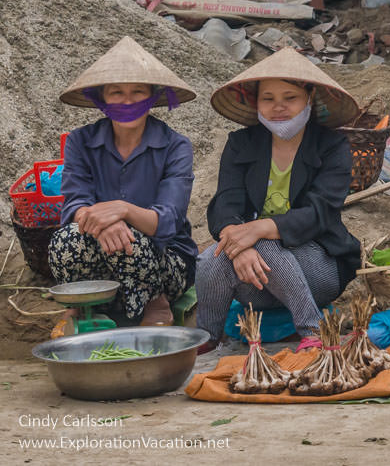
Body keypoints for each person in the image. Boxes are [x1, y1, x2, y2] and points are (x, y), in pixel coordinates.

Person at [196, 48, 362, 353]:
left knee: (263, 242)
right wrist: (238, 244)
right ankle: (206, 338)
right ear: (256, 101)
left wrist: (257, 232)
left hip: (319, 263)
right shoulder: (241, 143)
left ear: (309, 97)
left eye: (290, 97)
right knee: (211, 260)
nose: (278, 107)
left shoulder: (332, 145)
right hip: (259, 274)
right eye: (268, 98)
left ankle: (313, 331)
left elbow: (320, 212)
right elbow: (226, 203)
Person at [50, 36, 198, 327]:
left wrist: (123, 210)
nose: (127, 100)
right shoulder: (80, 141)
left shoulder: (175, 146)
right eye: (117, 92)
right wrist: (104, 222)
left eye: (137, 92)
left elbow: (168, 220)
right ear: (102, 98)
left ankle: (156, 304)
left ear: (153, 96)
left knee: (131, 241)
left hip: (163, 263)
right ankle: (86, 306)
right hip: (101, 251)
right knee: (63, 242)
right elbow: (74, 204)